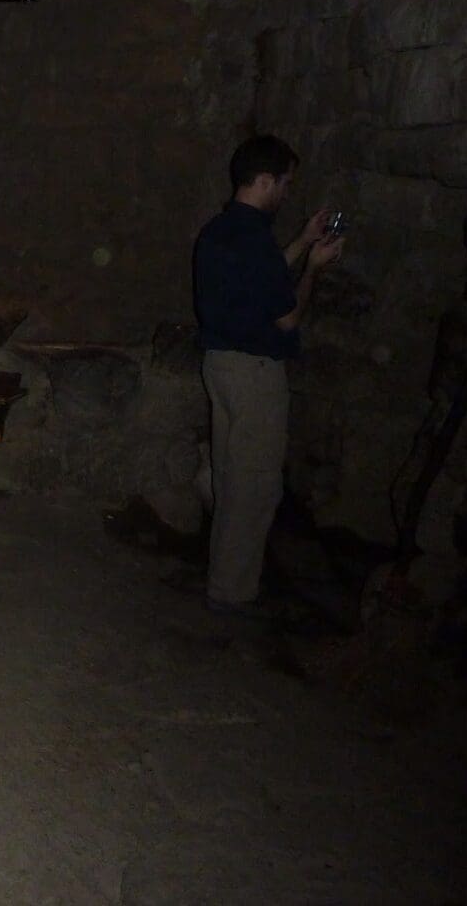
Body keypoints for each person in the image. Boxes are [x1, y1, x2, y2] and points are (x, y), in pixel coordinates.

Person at [193, 134, 344, 615]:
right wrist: (314, 269)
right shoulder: (255, 240)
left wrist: (302, 240)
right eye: (284, 183)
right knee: (254, 485)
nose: (286, 191)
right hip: (254, 372)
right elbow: (288, 316)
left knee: (230, 475)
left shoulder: (220, 231)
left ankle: (222, 576)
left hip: (221, 365)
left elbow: (259, 280)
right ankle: (231, 593)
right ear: (263, 181)